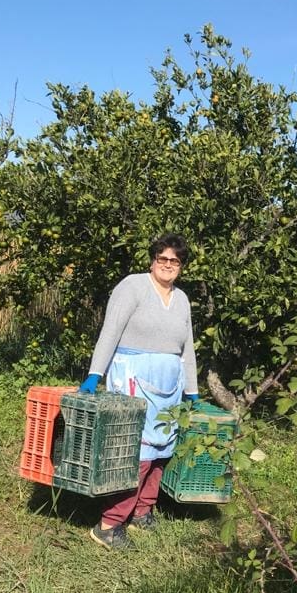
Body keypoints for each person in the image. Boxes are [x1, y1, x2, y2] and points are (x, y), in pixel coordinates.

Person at [79, 233, 199, 549]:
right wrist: (95, 374)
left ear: (181, 265)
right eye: (163, 258)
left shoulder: (182, 299)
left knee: (162, 450)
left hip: (169, 384)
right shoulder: (132, 287)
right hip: (133, 379)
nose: (168, 265)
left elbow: (187, 349)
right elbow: (110, 332)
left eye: (175, 260)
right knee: (138, 454)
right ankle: (108, 524)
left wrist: (192, 388)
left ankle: (142, 511)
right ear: (153, 259)